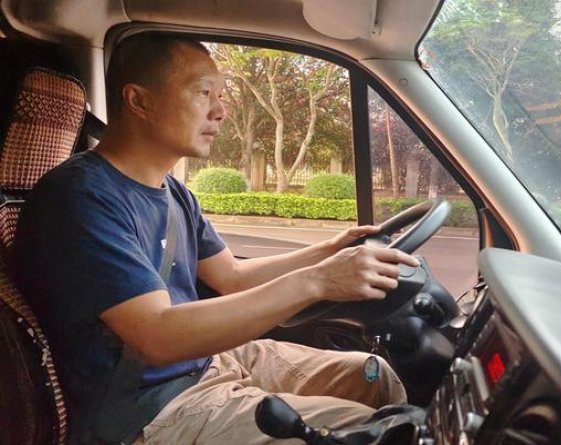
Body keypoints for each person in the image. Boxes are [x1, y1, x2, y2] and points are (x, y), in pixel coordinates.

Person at [12, 34, 420, 444]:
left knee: (374, 376)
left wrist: (330, 250)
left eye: (221, 95)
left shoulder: (174, 193)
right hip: (150, 408)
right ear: (139, 100)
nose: (221, 111)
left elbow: (233, 277)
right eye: (203, 92)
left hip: (208, 364)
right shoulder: (80, 198)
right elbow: (156, 335)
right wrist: (318, 280)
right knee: (374, 433)